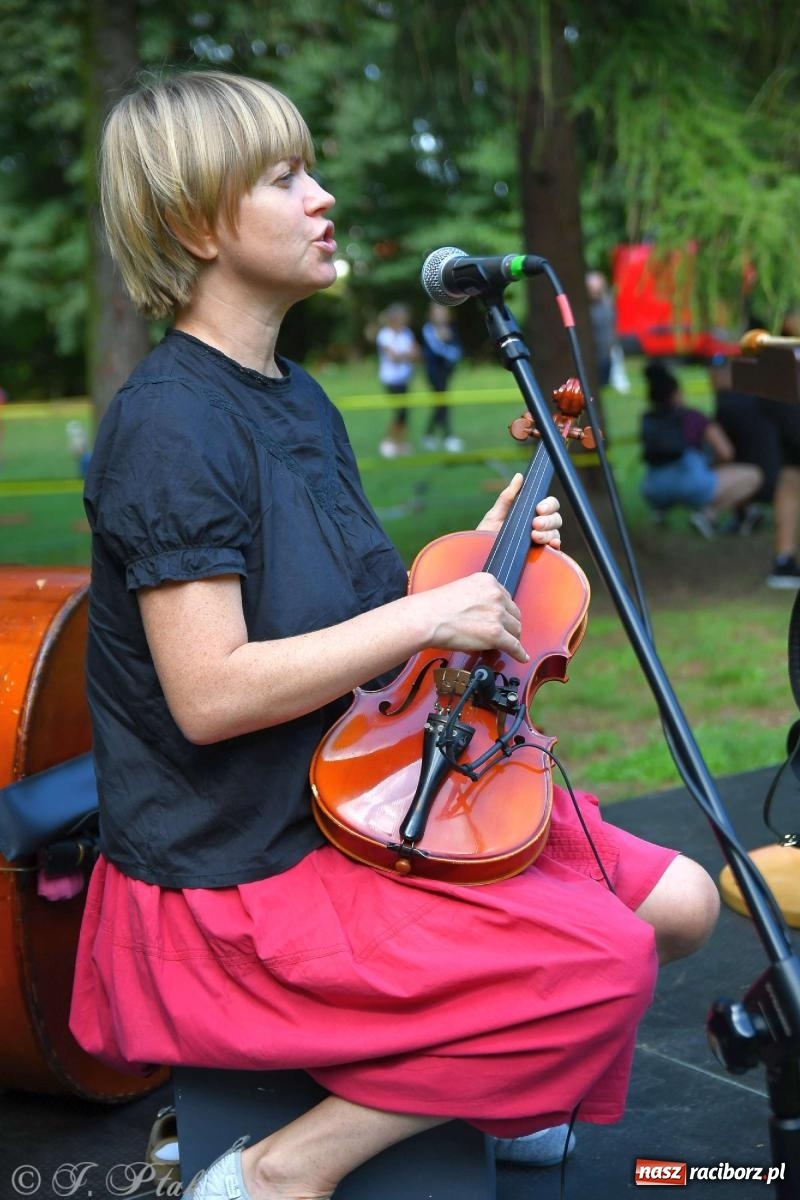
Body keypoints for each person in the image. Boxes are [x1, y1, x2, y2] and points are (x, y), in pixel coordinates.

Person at [68, 71, 720, 1200]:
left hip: (355, 792)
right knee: (602, 965)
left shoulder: (293, 394)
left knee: (681, 904)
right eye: (285, 177)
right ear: (190, 221)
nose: (323, 197)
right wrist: (428, 611)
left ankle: (486, 1084)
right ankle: (277, 1171)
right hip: (241, 861)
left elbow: (358, 622)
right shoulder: (169, 421)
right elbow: (209, 693)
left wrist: (476, 557)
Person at [640, 360, 763, 537]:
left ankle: (660, 513)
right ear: (676, 393)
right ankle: (708, 515)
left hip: (653, 488)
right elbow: (726, 452)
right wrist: (714, 466)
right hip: (692, 483)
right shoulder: (693, 417)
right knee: (753, 475)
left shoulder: (647, 419)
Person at [709, 353, 780, 533]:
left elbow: (724, 453)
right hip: (782, 478)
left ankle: (715, 513)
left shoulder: (726, 404)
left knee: (720, 459)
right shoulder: (759, 397)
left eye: (715, 375)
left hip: (759, 480)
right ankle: (748, 513)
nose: (712, 380)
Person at [376, 302, 419, 457]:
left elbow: (416, 353)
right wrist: (406, 354)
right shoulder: (384, 334)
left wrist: (405, 355)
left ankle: (401, 442)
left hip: (404, 378)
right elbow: (393, 357)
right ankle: (390, 442)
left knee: (404, 413)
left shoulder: (407, 333)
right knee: (399, 412)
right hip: (391, 379)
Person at [420, 302, 464, 451]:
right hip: (433, 372)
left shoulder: (451, 329)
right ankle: (448, 436)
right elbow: (434, 351)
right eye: (437, 313)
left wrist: (450, 343)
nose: (440, 316)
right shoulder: (428, 330)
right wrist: (444, 342)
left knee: (440, 403)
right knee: (442, 403)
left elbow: (458, 350)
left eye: (443, 313)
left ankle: (429, 435)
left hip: (447, 372)